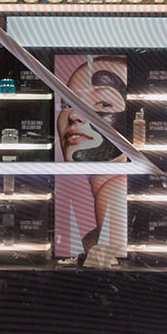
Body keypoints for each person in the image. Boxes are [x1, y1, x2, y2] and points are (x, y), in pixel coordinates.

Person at [53, 55, 129, 267]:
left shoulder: (116, 190)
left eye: (104, 103)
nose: (74, 115)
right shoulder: (110, 189)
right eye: (68, 103)